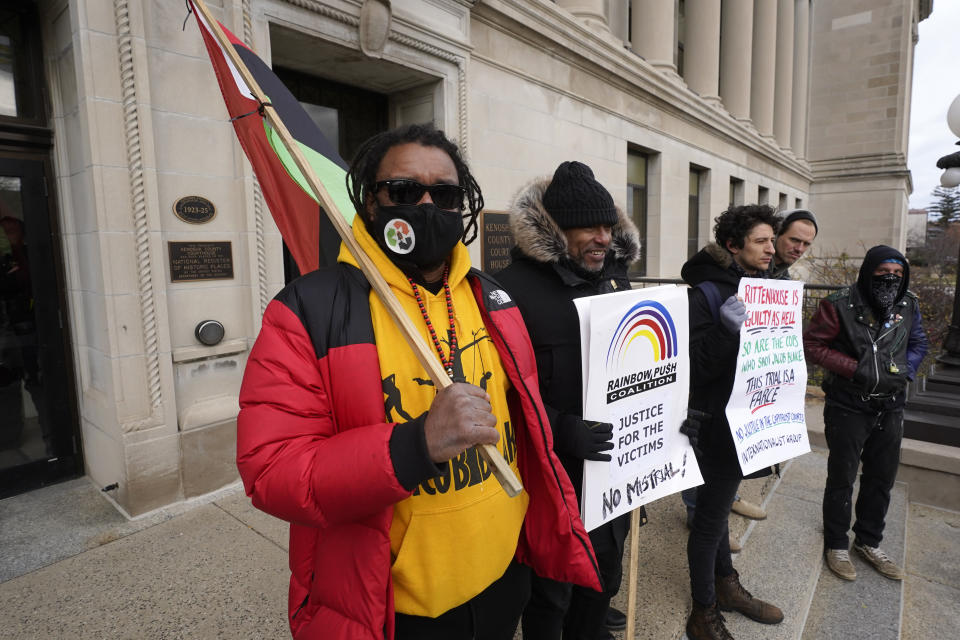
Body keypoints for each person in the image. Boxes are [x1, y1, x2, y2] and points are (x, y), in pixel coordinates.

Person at [236, 123, 601, 640]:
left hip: (503, 579)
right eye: (405, 191)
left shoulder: (492, 299)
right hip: (399, 608)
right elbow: (271, 470)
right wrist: (415, 445)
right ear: (371, 201)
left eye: (445, 194)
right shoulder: (307, 310)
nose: (427, 207)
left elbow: (527, 419)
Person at [495, 161, 640, 640]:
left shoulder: (617, 279)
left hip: (613, 470)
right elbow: (502, 391)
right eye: (589, 228)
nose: (603, 238)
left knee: (604, 577)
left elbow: (646, 366)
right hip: (553, 474)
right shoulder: (509, 290)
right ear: (557, 229)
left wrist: (674, 417)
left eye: (608, 226)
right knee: (551, 591)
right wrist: (560, 428)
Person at [681, 204, 785, 640]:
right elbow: (693, 370)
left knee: (718, 511)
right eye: (760, 241)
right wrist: (726, 331)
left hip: (748, 422)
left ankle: (725, 585)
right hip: (717, 426)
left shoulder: (763, 287)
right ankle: (704, 612)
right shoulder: (706, 293)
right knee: (709, 519)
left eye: (771, 241)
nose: (771, 249)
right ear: (732, 245)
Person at [803, 245, 928, 582]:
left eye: (898, 273)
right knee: (842, 477)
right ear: (868, 271)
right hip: (848, 404)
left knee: (881, 477)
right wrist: (856, 369)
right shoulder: (838, 304)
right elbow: (813, 346)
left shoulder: (909, 303)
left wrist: (904, 371)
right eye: (883, 271)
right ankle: (837, 543)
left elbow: (918, 344)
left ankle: (869, 541)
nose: (891, 278)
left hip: (890, 405)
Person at [771, 209, 818, 280]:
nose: (799, 249)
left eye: (806, 244)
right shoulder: (750, 272)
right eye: (795, 240)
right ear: (776, 235)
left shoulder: (785, 281)